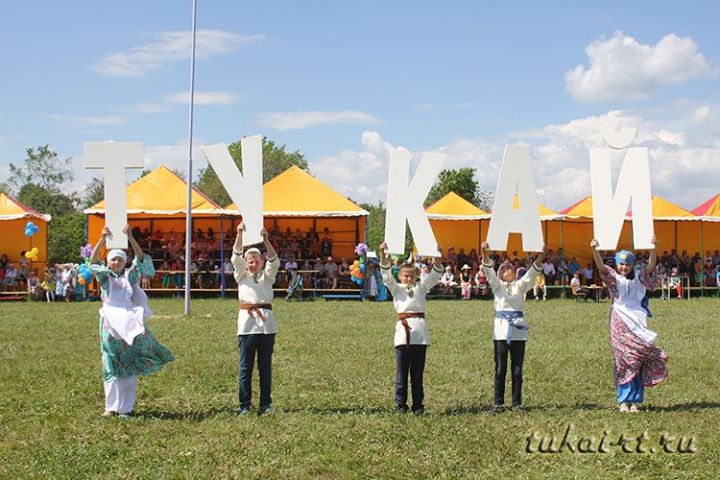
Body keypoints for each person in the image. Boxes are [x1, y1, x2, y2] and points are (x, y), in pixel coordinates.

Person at [89, 225, 174, 418]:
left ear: (124, 261)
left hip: (127, 321)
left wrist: (130, 238)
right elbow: (92, 262)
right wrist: (102, 240)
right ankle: (111, 407)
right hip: (109, 322)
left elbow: (142, 259)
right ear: (108, 263)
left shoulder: (130, 276)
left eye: (120, 259)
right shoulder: (105, 277)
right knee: (110, 362)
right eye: (113, 260)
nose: (116, 262)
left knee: (128, 363)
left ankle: (125, 408)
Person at [591, 236, 668, 413]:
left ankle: (634, 400)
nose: (624, 267)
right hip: (619, 322)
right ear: (617, 264)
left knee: (638, 359)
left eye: (627, 264)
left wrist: (653, 248)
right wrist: (595, 250)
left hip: (639, 323)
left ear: (632, 265)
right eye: (621, 264)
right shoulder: (613, 279)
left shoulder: (639, 279)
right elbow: (601, 267)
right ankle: (623, 400)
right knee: (623, 360)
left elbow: (650, 266)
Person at [481, 241, 548, 412]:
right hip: (501, 331)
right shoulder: (497, 286)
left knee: (517, 370)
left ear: (515, 272)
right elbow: (488, 271)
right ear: (500, 274)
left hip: (518, 330)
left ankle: (516, 403)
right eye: (503, 269)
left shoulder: (521, 285)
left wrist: (541, 254)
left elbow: (533, 272)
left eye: (509, 268)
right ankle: (498, 403)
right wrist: (484, 252)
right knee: (500, 369)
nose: (506, 270)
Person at [379, 242, 443, 415]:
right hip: (402, 334)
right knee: (401, 372)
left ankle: (418, 405)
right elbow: (386, 275)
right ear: (399, 277)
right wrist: (383, 254)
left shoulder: (421, 288)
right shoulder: (396, 289)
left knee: (417, 373)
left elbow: (434, 276)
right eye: (405, 275)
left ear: (416, 276)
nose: (408, 278)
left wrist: (437, 257)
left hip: (420, 335)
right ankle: (400, 404)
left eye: (412, 276)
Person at [232, 221, 280, 415]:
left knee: (265, 367)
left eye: (256, 261)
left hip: (266, 325)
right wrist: (239, 234)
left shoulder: (267, 276)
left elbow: (274, 260)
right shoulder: (240, 275)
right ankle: (244, 405)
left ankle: (265, 403)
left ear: (261, 262)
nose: (253, 264)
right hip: (247, 324)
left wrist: (266, 240)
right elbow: (236, 256)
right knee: (246, 367)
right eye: (250, 261)